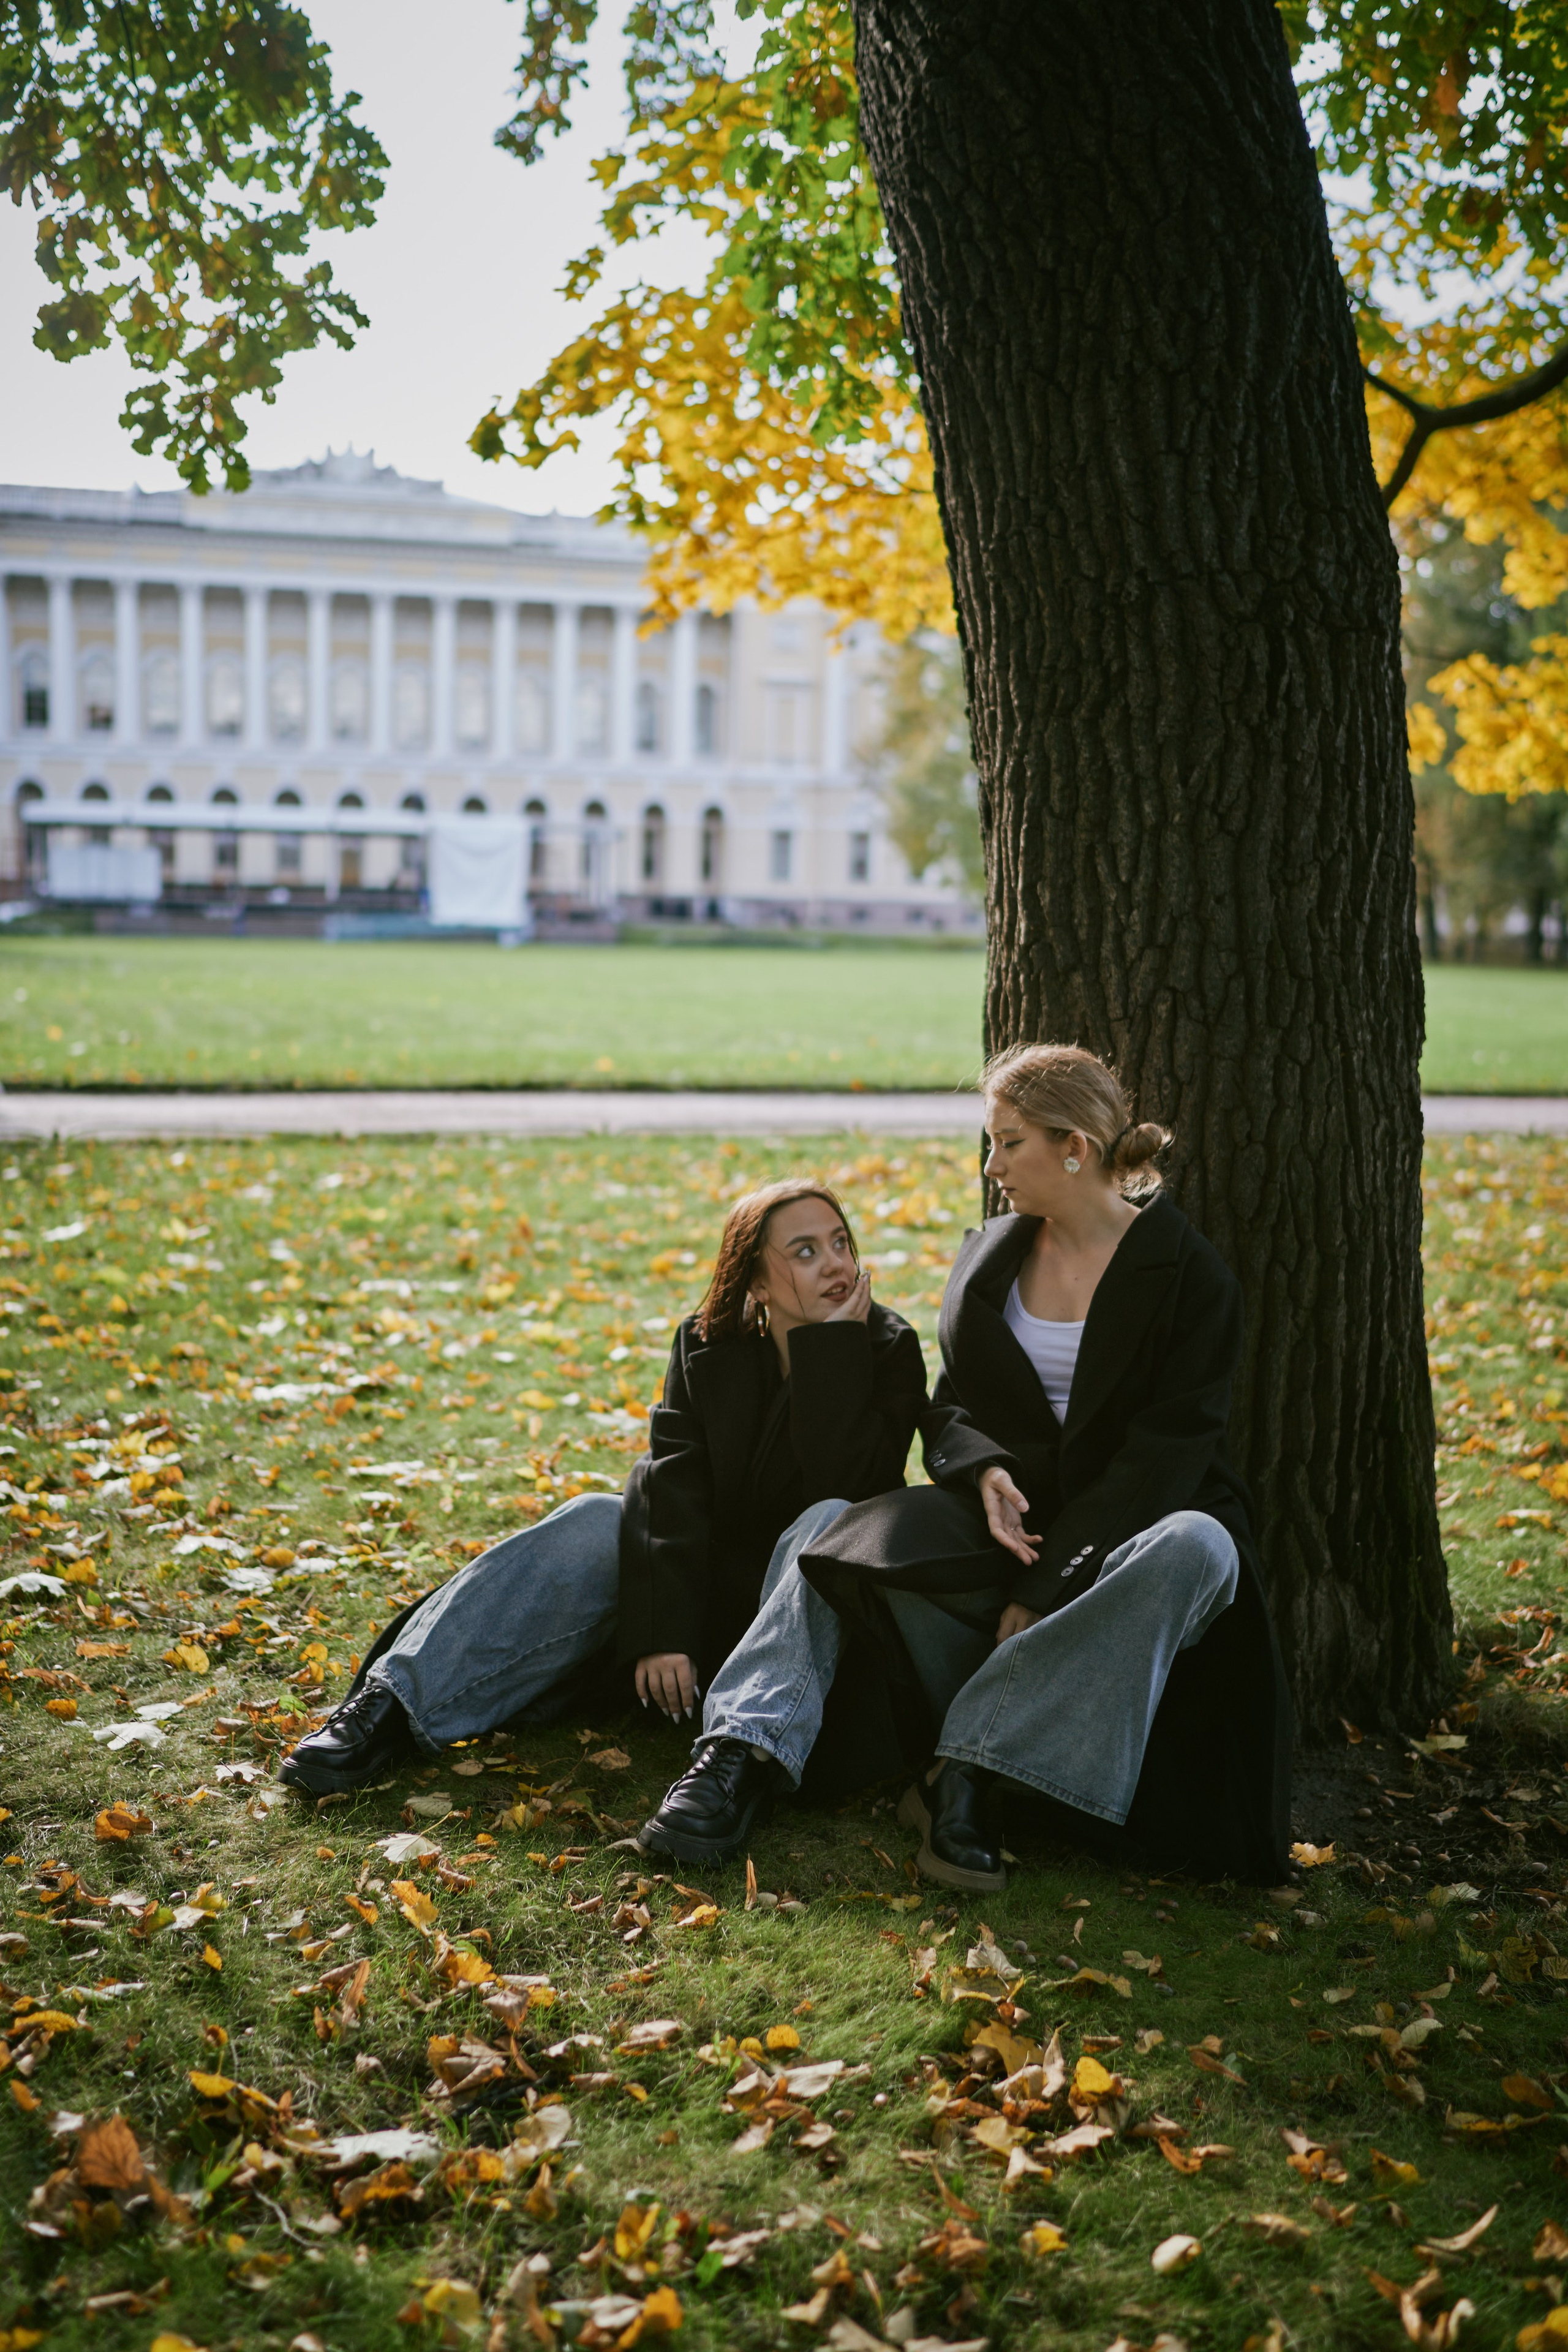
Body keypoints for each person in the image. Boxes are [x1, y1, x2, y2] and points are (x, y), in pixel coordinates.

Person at [639, 1045, 1291, 1886]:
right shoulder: (989, 1256)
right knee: (832, 1527)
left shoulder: (1191, 1277)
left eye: (1007, 1143)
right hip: (996, 1523)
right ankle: (737, 1753)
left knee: (1202, 1544)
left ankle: (969, 1771)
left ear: (1074, 1148)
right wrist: (980, 1468)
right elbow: (949, 1406)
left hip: (1129, 1540)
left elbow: (1163, 1457)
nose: (992, 1166)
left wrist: (1046, 1582)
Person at [279, 1178, 929, 1800]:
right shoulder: (706, 1344)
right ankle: (389, 1708)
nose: (835, 1264)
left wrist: (832, 1349)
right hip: (705, 1607)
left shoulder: (886, 1347)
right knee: (596, 1515)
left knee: (828, 1517)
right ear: (756, 1281)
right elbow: (670, 1483)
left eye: (841, 1242)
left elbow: (851, 1489)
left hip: (801, 1638)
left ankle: (737, 1762)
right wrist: (661, 1628)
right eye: (806, 1251)